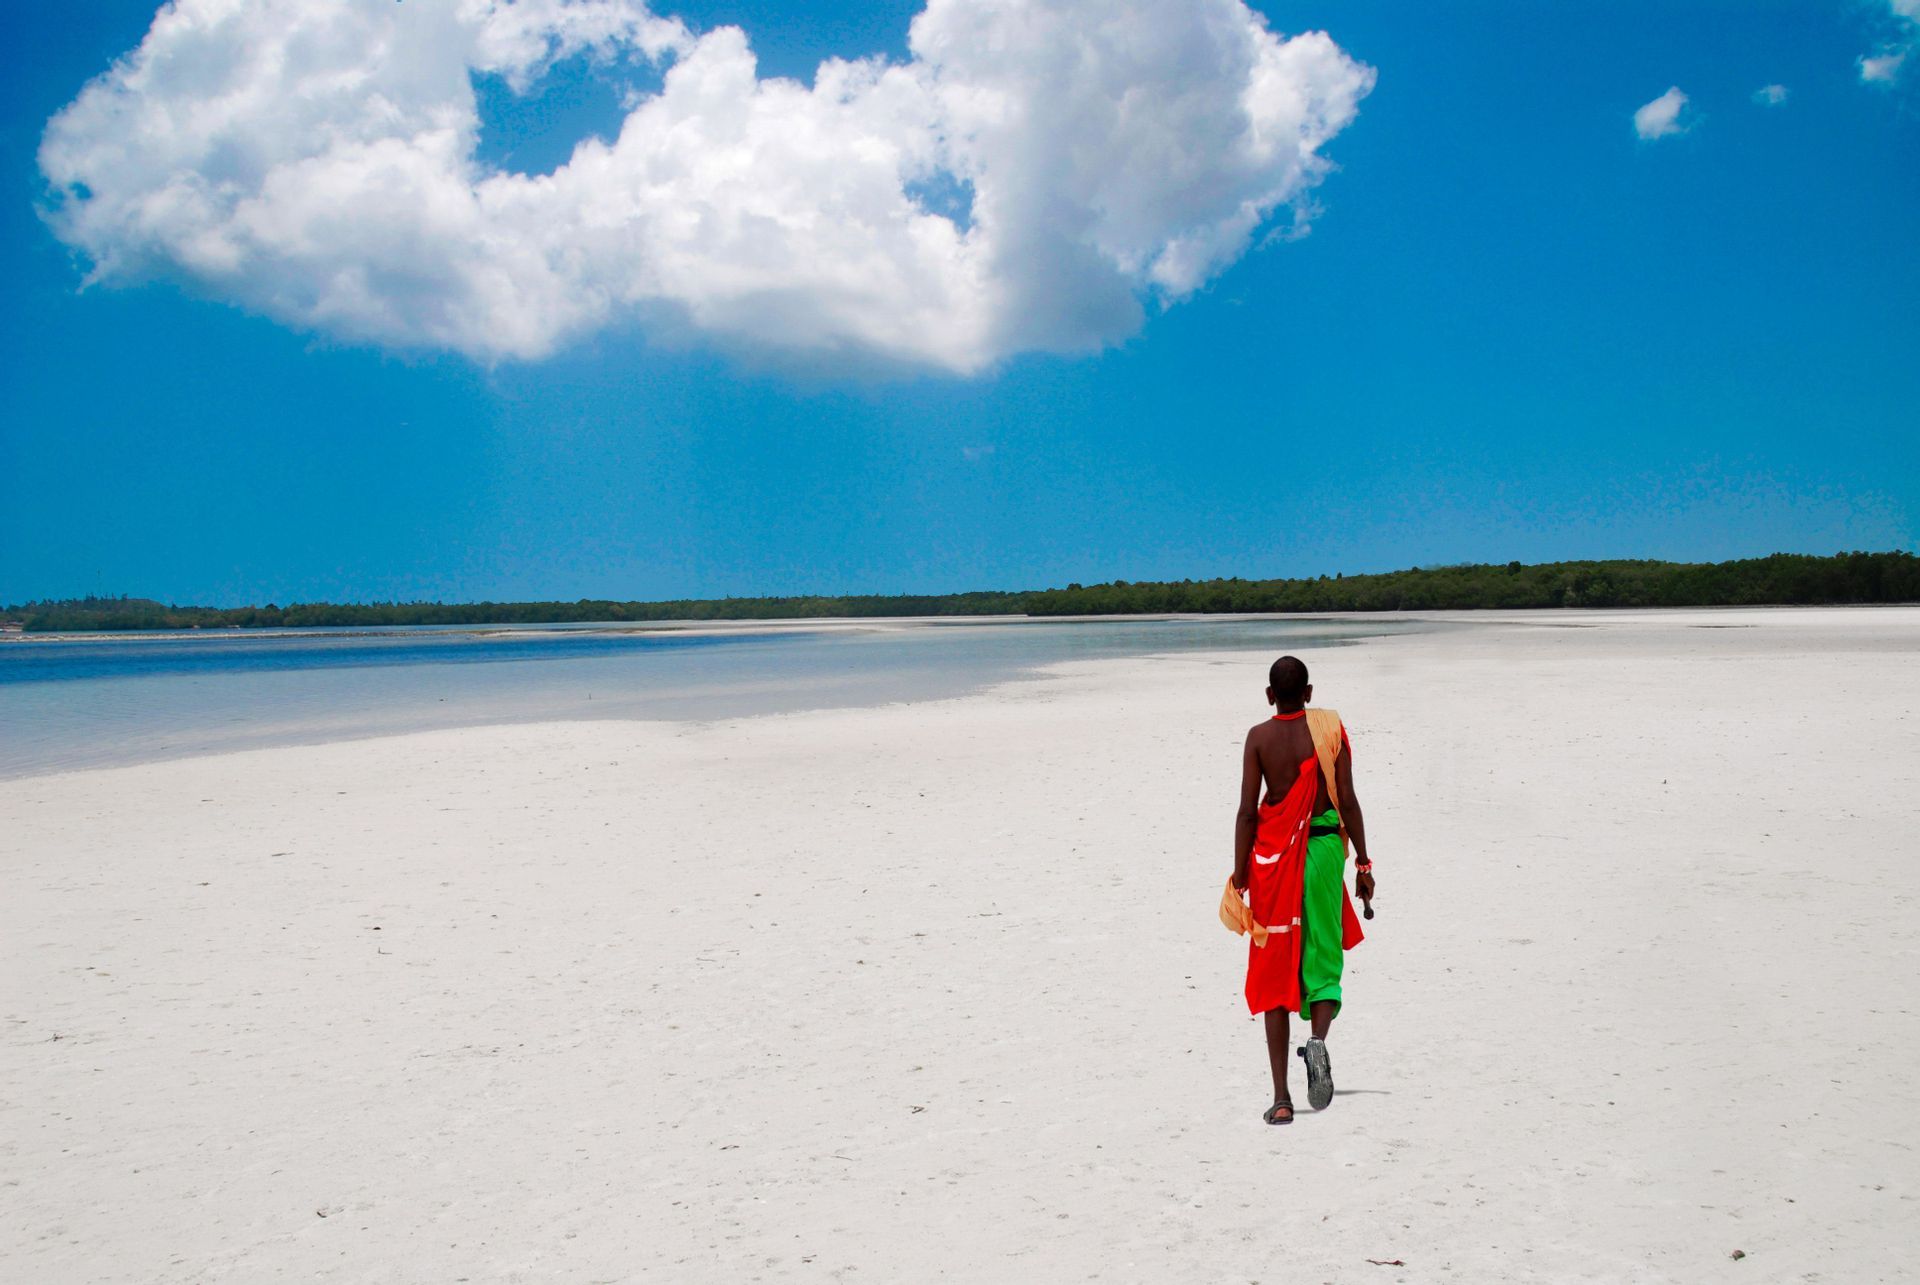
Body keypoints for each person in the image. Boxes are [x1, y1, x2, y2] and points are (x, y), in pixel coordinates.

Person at [1230, 655, 1374, 1124]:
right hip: (1327, 851)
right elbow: (1347, 799)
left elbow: (1248, 812)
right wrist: (1365, 864)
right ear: (1308, 694)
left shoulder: (1259, 738)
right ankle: (1317, 1041)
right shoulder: (1329, 730)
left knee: (1275, 964)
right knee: (1323, 956)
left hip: (1275, 861)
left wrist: (1240, 874)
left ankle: (1281, 1099)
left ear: (1270, 695)